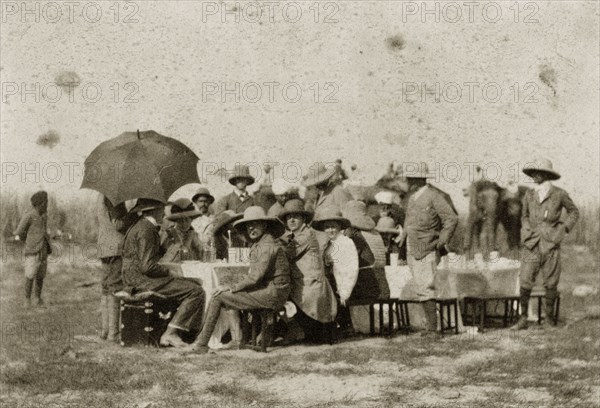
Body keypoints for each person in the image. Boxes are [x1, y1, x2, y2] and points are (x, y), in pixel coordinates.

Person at [187, 206, 291, 353]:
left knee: (219, 297)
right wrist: (231, 286)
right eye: (248, 226)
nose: (251, 229)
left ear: (265, 225)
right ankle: (227, 338)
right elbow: (255, 275)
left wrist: (231, 287)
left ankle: (202, 344)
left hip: (273, 293)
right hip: (271, 289)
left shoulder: (266, 246)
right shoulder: (262, 243)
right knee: (223, 293)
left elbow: (254, 278)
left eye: (255, 224)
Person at [121, 198, 206, 348]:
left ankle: (184, 332)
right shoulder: (146, 229)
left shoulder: (142, 226)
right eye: (162, 209)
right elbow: (148, 267)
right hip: (141, 280)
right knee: (196, 291)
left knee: (191, 284)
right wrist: (171, 272)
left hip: (134, 277)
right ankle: (171, 333)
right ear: (154, 210)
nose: (164, 213)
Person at [513, 158, 579, 330]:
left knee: (551, 282)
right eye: (532, 172)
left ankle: (549, 320)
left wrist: (563, 228)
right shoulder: (529, 194)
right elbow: (524, 215)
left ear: (546, 174)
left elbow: (574, 212)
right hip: (531, 243)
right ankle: (523, 319)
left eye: (538, 172)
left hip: (550, 242)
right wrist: (526, 229)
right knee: (525, 280)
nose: (534, 175)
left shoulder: (559, 194)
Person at [404, 163, 458, 332]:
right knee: (421, 287)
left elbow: (451, 219)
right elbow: (409, 223)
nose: (407, 181)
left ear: (420, 179)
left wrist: (441, 241)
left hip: (427, 248)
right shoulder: (412, 198)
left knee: (427, 287)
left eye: (411, 178)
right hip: (412, 248)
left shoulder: (434, 196)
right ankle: (429, 326)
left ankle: (433, 329)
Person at [278, 199, 337, 344]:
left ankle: (293, 329)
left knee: (276, 292)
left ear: (303, 218)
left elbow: (289, 252)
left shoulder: (306, 234)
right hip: (302, 282)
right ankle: (292, 329)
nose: (291, 219)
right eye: (288, 217)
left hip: (310, 284)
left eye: (295, 216)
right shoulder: (293, 235)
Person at [312, 207, 359, 333]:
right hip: (330, 282)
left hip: (342, 284)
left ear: (339, 227)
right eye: (327, 227)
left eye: (333, 227)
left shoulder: (345, 243)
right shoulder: (329, 244)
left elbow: (351, 268)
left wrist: (344, 290)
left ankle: (343, 325)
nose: (330, 230)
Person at [96, 194, 127, 341]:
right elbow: (118, 224)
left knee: (106, 288)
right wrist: (134, 216)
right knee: (115, 288)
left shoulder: (101, 194)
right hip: (116, 247)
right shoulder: (114, 196)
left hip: (104, 247)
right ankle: (113, 334)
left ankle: (105, 330)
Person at [14, 191, 52, 308]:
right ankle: (27, 300)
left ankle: (37, 299)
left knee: (40, 275)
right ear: (40, 204)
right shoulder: (29, 216)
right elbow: (19, 232)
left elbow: (44, 231)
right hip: (32, 251)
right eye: (46, 203)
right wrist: (28, 241)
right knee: (30, 275)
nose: (47, 205)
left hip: (43, 251)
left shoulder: (44, 217)